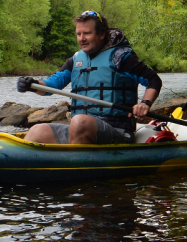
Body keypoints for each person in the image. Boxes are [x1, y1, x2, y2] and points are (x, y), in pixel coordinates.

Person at [16, 11, 162, 144]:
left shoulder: (120, 57)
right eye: (78, 34)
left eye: (87, 33)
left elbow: (153, 80)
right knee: (37, 131)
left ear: (102, 34)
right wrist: (33, 85)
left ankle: (74, 167)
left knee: (80, 122)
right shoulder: (76, 59)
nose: (82, 39)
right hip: (80, 127)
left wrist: (145, 103)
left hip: (117, 130)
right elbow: (52, 85)